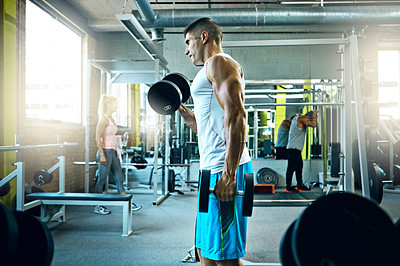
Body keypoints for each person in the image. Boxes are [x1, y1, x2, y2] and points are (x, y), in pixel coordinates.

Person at [178, 17, 253, 265]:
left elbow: (237, 115)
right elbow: (206, 127)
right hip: (210, 168)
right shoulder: (207, 72)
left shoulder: (218, 63)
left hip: (224, 168)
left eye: (188, 42)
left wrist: (229, 175)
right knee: (206, 253)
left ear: (204, 37)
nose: (186, 50)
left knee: (225, 259)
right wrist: (180, 109)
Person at [95, 95, 141, 214]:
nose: (117, 106)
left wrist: (121, 137)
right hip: (105, 151)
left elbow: (110, 135)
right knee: (102, 179)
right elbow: (97, 138)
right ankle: (98, 205)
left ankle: (127, 203)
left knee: (119, 178)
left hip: (113, 151)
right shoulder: (103, 119)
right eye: (116, 104)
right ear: (109, 105)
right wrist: (102, 155)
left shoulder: (111, 119)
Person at [285, 110, 318, 193]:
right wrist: (315, 114)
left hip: (295, 148)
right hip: (293, 148)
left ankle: (299, 185)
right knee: (291, 167)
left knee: (299, 167)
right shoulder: (300, 119)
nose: (309, 121)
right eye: (309, 119)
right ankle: (288, 187)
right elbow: (314, 124)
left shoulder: (297, 119)